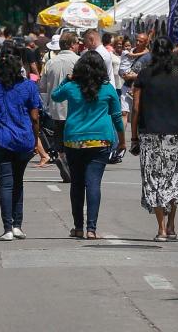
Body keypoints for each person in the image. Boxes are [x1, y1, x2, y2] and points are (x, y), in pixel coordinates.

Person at [52, 50, 124, 239]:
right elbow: (117, 116)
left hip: (74, 140)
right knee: (93, 184)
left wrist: (67, 79)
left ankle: (77, 227)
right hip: (100, 140)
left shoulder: (72, 86)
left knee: (77, 184)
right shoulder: (107, 88)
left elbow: (55, 96)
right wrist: (123, 141)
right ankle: (91, 229)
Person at [131, 36, 178, 241]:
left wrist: (133, 136)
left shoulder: (144, 74)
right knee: (174, 177)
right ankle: (172, 225)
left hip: (150, 131)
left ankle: (160, 228)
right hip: (176, 132)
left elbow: (136, 107)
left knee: (154, 178)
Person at [0, 46, 42, 240]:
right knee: (18, 182)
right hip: (24, 139)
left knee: (5, 184)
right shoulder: (29, 87)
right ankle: (17, 225)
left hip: (1, 139)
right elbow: (35, 117)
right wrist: (36, 139)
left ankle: (7, 228)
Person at [39, 32, 79, 157]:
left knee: (59, 141)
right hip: (75, 108)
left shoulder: (50, 63)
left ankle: (62, 160)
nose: (78, 45)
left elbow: (42, 87)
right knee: (73, 142)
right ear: (72, 44)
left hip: (56, 109)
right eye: (77, 43)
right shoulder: (78, 61)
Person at [118, 33, 150, 136]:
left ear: (146, 43)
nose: (137, 43)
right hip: (127, 86)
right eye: (137, 40)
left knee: (138, 113)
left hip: (140, 89)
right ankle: (121, 139)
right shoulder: (130, 52)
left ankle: (138, 137)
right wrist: (123, 74)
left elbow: (150, 75)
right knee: (123, 113)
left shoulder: (149, 57)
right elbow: (121, 68)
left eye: (141, 41)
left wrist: (134, 76)